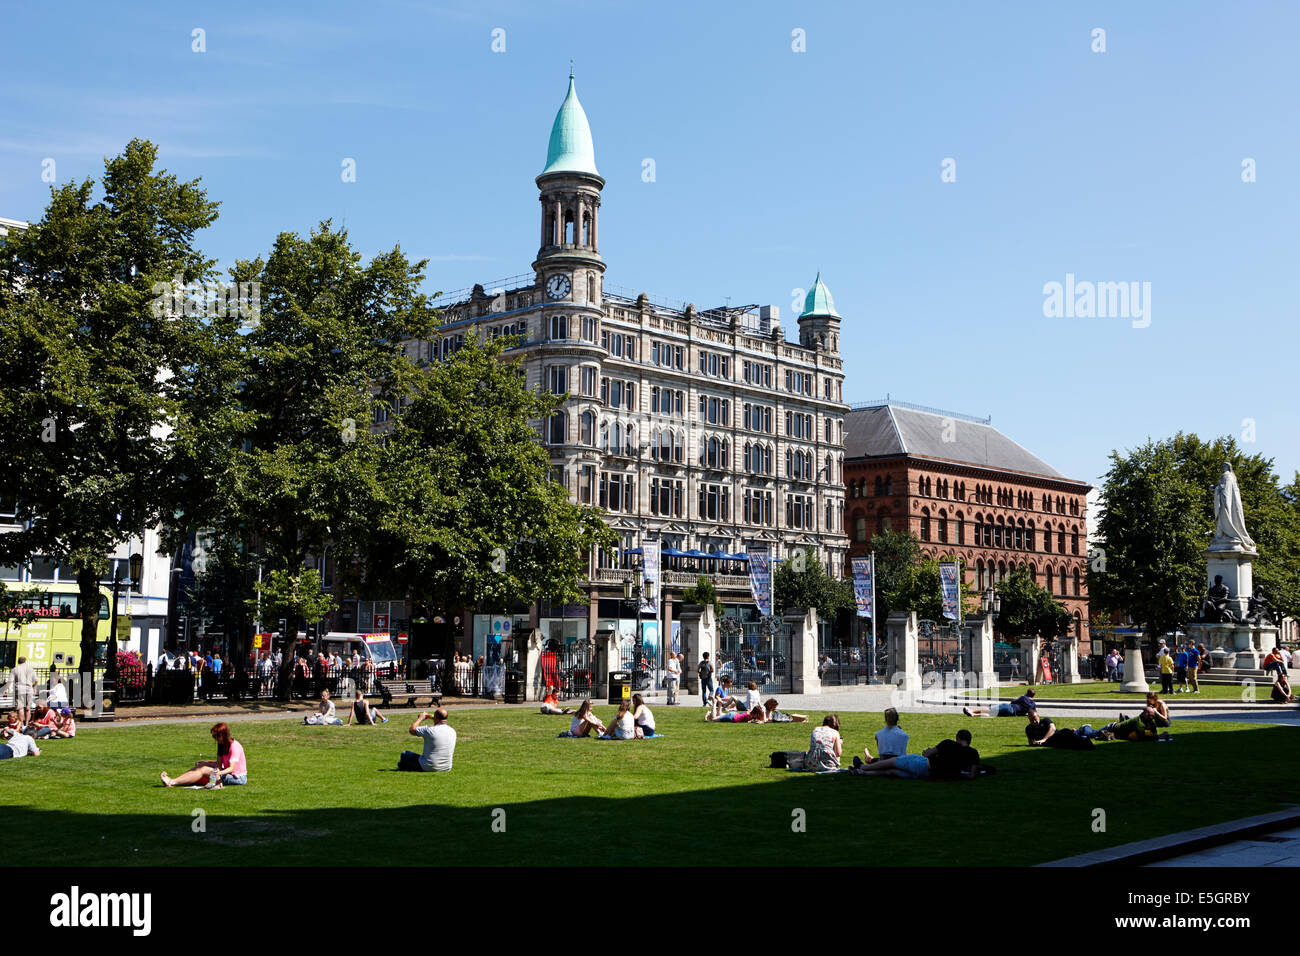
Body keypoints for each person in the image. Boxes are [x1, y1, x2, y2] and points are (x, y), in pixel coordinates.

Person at [851, 729, 981, 780]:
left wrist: (927, 752)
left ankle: (863, 767)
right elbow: (972, 775)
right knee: (892, 772)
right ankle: (863, 773)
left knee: (893, 762)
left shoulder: (949, 744)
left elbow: (927, 754)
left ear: (957, 738)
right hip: (928, 775)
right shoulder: (973, 753)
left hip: (924, 765)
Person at [161, 723, 248, 788]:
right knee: (201, 765)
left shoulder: (234, 746)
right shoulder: (221, 744)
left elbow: (231, 769)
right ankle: (174, 780)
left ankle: (172, 782)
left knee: (203, 770)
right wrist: (208, 763)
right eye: (213, 736)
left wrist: (218, 773)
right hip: (226, 772)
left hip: (237, 778)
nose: (215, 738)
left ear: (224, 735)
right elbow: (219, 764)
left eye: (216, 736)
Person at [1023, 712, 1094, 750]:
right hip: (1055, 743)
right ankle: (1084, 736)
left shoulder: (1045, 720)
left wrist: (1043, 740)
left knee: (1077, 742)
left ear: (1038, 716)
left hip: (1061, 735)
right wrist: (1034, 743)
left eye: (1035, 719)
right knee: (1072, 747)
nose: (1034, 721)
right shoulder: (1028, 728)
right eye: (1032, 720)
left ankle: (1085, 735)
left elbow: (1052, 729)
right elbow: (1030, 742)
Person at [6, 655, 38, 730]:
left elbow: (10, 681)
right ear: (25, 661)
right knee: (28, 708)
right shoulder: (30, 669)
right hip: (29, 689)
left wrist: (5, 689)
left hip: (19, 689)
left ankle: (21, 723)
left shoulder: (15, 669)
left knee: (20, 708)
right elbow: (36, 680)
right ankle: (27, 723)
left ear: (18, 661)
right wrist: (33, 686)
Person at [963, 689, 1035, 718]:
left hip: (1010, 707)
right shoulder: (1033, 704)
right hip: (1013, 714)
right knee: (992, 714)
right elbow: (1032, 712)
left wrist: (1022, 696)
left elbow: (1013, 702)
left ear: (1027, 693)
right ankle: (974, 714)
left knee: (990, 709)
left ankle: (972, 711)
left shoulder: (1024, 698)